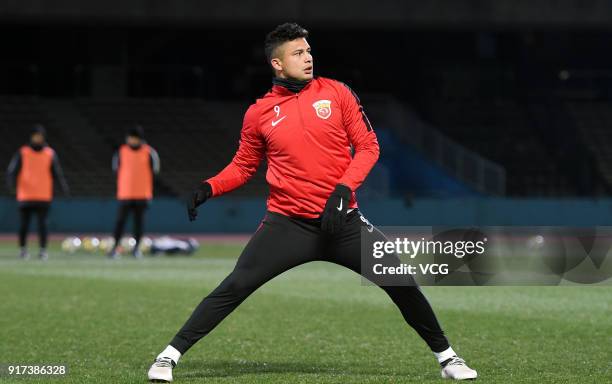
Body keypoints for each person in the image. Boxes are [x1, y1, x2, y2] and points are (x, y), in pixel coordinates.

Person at [148, 23, 477, 382]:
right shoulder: (259, 113)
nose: (308, 58)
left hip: (344, 222)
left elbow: (368, 147)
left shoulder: (337, 93)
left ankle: (448, 359)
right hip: (288, 224)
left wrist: (342, 189)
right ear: (277, 64)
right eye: (298, 53)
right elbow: (243, 166)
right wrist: (209, 187)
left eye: (308, 51)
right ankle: (168, 357)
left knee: (401, 282)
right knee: (236, 285)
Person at [6, 125, 70, 260]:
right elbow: (12, 171)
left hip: (43, 196)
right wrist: (11, 185)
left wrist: (63, 187)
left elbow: (57, 173)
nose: (38, 138)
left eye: (40, 136)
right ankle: (23, 249)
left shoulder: (50, 153)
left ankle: (43, 250)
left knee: (43, 225)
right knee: (24, 224)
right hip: (25, 195)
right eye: (35, 135)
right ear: (31, 137)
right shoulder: (23, 152)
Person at [108, 126, 160, 259]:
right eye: (129, 137)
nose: (131, 140)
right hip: (125, 194)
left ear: (140, 139)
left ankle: (137, 249)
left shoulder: (149, 152)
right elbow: (115, 171)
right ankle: (115, 248)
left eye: (134, 138)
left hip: (142, 195)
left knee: (139, 223)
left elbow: (155, 172)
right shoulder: (121, 152)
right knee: (120, 222)